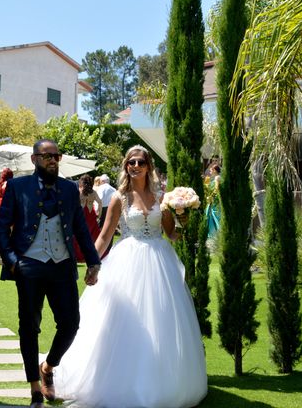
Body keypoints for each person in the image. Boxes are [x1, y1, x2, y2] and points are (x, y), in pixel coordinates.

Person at [54, 145, 208, 408]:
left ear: (148, 166)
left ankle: (163, 382)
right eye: (130, 163)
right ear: (126, 167)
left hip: (161, 263)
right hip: (128, 261)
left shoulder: (162, 198)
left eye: (140, 162)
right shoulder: (119, 198)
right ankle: (119, 381)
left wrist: (182, 213)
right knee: (124, 322)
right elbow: (104, 235)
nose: (135, 166)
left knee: (161, 321)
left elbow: (172, 234)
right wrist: (93, 263)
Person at [0, 139, 101, 408]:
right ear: (34, 160)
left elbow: (80, 228)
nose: (53, 160)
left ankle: (49, 366)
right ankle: (34, 389)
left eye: (57, 155)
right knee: (29, 326)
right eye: (47, 156)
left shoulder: (68, 188)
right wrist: (13, 262)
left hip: (62, 265)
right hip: (28, 265)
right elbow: (0, 228)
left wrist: (93, 261)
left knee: (70, 323)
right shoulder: (18, 187)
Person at [72, 174, 102, 262]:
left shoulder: (79, 192)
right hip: (91, 214)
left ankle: (79, 255)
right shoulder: (93, 192)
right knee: (93, 235)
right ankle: (94, 254)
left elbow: (75, 204)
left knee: (79, 235)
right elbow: (100, 202)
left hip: (82, 214)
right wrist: (98, 215)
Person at [94, 173, 116, 254]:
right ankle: (108, 248)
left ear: (102, 181)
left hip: (102, 210)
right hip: (112, 209)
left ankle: (98, 247)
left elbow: (99, 200)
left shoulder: (101, 188)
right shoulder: (113, 189)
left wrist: (96, 211)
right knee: (111, 228)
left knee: (99, 229)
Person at [205, 163, 221, 238]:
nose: (210, 172)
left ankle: (217, 232)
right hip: (213, 200)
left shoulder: (217, 178)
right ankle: (214, 233)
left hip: (215, 200)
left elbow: (216, 189)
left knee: (215, 215)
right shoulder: (213, 178)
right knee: (212, 215)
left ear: (214, 170)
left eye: (211, 170)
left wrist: (211, 197)